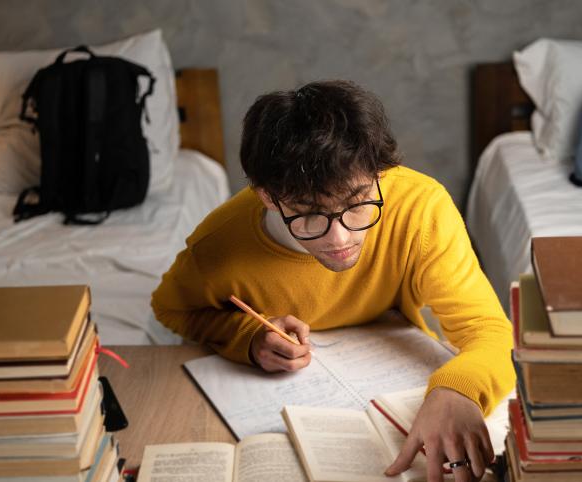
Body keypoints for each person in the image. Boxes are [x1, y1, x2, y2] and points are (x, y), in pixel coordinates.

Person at [151, 80, 514, 482]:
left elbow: (488, 329)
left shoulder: (421, 208)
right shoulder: (217, 246)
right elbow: (170, 309)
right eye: (309, 213)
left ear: (379, 173)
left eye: (358, 204)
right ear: (267, 197)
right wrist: (246, 338)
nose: (340, 239)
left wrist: (458, 390)